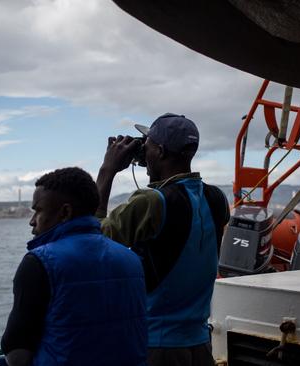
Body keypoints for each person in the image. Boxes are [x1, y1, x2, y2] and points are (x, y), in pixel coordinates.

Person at [96, 113, 230, 366]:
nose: (143, 150)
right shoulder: (216, 199)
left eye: (147, 145)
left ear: (159, 151)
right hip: (199, 344)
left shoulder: (152, 201)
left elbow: (91, 241)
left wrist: (108, 170)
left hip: (155, 345)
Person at [1, 167, 147, 366]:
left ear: (65, 212)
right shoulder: (131, 260)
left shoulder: (39, 263)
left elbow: (16, 347)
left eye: (38, 210)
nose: (32, 221)